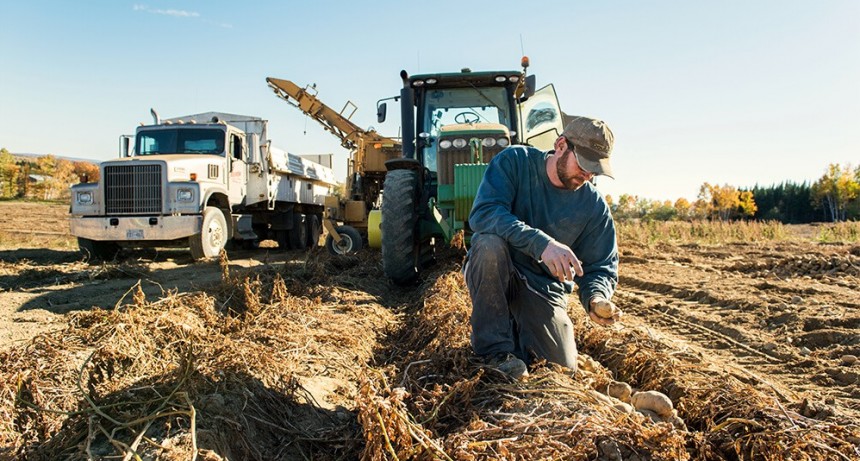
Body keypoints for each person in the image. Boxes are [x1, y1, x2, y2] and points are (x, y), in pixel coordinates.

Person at [464, 116, 621, 379]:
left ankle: (519, 330)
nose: (587, 174)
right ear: (561, 145)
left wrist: (596, 297)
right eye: (583, 164)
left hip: (542, 288)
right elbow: (484, 213)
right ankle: (493, 353)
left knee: (561, 370)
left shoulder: (593, 206)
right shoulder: (515, 162)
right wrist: (542, 244)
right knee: (488, 244)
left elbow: (601, 265)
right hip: (500, 271)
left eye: (595, 169)